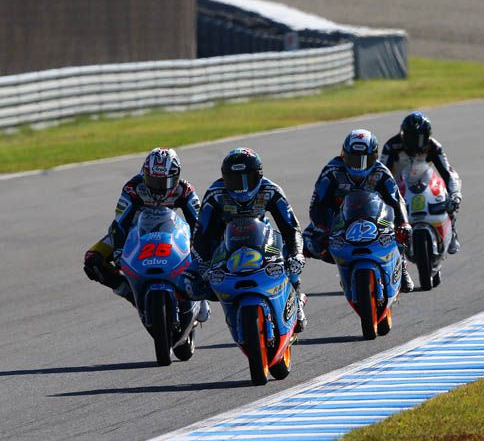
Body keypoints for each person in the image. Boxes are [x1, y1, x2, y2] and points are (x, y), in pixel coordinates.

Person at [83, 148, 208, 321]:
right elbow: (120, 224)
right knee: (92, 259)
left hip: (170, 230)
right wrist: (119, 251)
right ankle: (132, 293)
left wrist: (198, 255)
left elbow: (199, 226)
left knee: (203, 257)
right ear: (144, 174)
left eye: (164, 182)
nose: (158, 188)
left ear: (176, 177)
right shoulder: (133, 188)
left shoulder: (185, 190)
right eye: (153, 180)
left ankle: (196, 294)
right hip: (133, 233)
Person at [190, 147, 307, 331]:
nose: (241, 186)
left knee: (290, 260)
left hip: (262, 239)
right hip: (225, 243)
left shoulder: (271, 190)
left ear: (259, 175)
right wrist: (202, 263)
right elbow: (201, 233)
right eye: (234, 180)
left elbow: (290, 227)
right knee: (188, 279)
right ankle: (204, 308)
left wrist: (297, 254)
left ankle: (296, 299)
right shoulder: (215, 194)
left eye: (247, 178)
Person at [303, 129, 415, 293]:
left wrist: (404, 223)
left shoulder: (381, 172)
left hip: (375, 220)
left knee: (401, 232)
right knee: (305, 242)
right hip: (339, 221)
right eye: (353, 159)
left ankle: (401, 267)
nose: (358, 165)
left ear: (374, 157)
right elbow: (317, 203)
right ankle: (294, 290)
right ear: (344, 155)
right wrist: (321, 227)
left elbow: (396, 200)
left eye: (364, 160)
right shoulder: (332, 171)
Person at [380, 111, 463, 256]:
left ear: (425, 136)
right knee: (385, 214)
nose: (410, 141)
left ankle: (452, 230)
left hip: (424, 179)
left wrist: (455, 194)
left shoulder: (433, 146)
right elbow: (380, 172)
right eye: (407, 135)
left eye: (414, 137)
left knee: (447, 197)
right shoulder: (391, 146)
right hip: (398, 183)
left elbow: (447, 172)